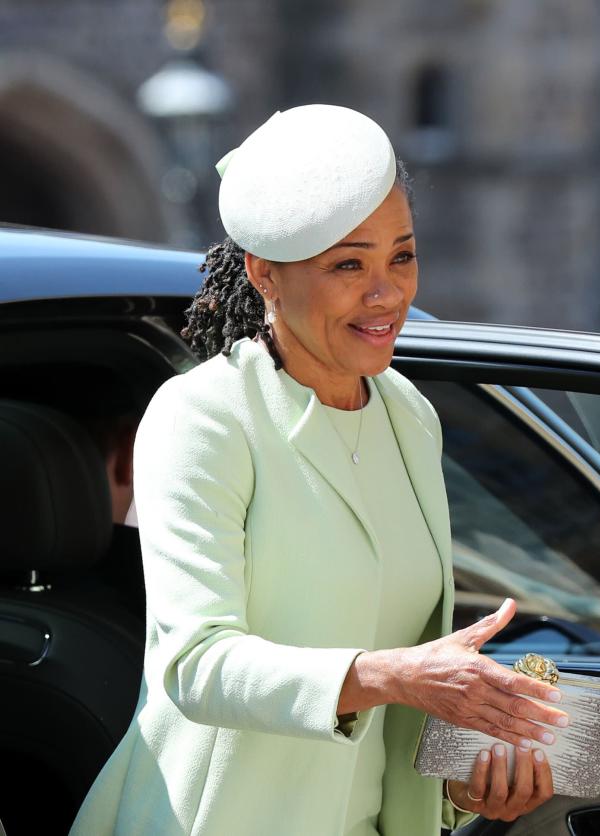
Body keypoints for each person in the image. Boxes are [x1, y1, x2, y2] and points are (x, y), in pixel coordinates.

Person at [72, 105, 565, 835]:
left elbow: (401, 700)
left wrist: (469, 784)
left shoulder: (409, 416)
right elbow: (196, 666)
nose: (388, 293)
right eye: (348, 265)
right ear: (265, 275)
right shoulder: (204, 415)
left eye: (402, 255)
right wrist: (396, 676)